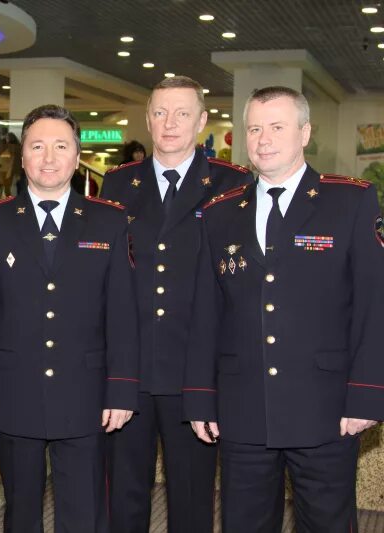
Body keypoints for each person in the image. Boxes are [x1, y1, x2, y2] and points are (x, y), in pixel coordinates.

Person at [184, 86, 384, 532]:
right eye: (254, 128)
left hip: (327, 409)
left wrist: (367, 393)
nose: (263, 139)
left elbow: (375, 304)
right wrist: (200, 395)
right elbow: (206, 312)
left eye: (277, 126)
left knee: (328, 523)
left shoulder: (349, 201)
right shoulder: (219, 213)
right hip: (242, 409)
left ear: (305, 132)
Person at [0, 104, 140, 533]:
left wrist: (122, 389)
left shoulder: (109, 220)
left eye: (61, 146)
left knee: (84, 511)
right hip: (13, 390)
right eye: (37, 146)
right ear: (22, 157)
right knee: (21, 512)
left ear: (78, 158)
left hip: (87, 392)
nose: (49, 157)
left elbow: (122, 314)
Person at [100, 75, 252, 533]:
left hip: (197, 373)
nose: (170, 123)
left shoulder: (233, 184)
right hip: (131, 369)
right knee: (123, 497)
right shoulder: (117, 183)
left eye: (183, 113)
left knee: (192, 499)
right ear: (147, 119)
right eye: (161, 113)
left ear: (203, 120)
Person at [0, 132, 21, 198]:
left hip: (8, 171)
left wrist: (9, 172)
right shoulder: (8, 147)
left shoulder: (12, 147)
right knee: (7, 189)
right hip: (5, 170)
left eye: (7, 138)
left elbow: (12, 161)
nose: (6, 140)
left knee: (8, 189)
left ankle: (10, 202)